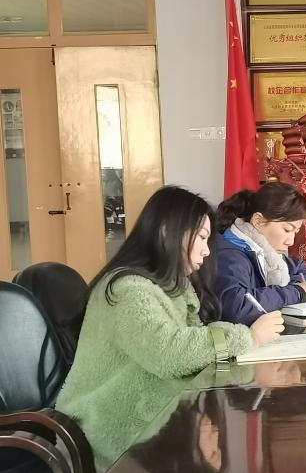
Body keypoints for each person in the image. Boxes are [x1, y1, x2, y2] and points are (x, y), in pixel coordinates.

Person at [56, 186, 284, 441]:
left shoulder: (172, 287)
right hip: (111, 426)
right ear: (167, 231)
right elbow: (168, 353)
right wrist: (249, 338)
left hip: (150, 415)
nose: (207, 251)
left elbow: (191, 340)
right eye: (201, 237)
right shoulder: (127, 289)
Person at [215, 182, 306, 325]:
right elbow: (236, 307)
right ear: (258, 221)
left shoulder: (267, 252)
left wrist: (299, 287)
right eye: (287, 230)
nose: (290, 241)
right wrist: (296, 293)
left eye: (295, 232)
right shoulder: (230, 255)